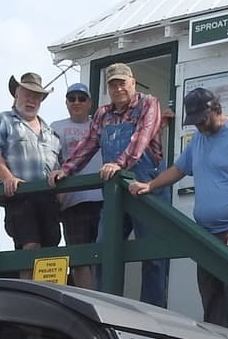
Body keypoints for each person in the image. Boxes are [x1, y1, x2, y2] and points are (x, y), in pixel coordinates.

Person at [129, 86, 228, 325]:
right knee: (212, 304)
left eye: (202, 120)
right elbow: (179, 169)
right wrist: (150, 186)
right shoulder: (198, 140)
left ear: (215, 109)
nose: (199, 126)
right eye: (195, 122)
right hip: (207, 234)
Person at [53, 62, 167, 305]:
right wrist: (66, 169)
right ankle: (109, 307)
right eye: (113, 85)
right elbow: (88, 145)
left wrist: (120, 163)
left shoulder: (149, 104)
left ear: (133, 83)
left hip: (148, 188)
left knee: (154, 254)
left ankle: (155, 312)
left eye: (122, 83)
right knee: (103, 249)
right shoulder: (103, 114)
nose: (118, 89)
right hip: (116, 193)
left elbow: (141, 139)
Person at [0, 72, 62, 260]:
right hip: (20, 196)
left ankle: (45, 290)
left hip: (48, 198)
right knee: (29, 245)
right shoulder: (4, 120)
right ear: (16, 95)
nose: (32, 100)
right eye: (27, 94)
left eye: (37, 96)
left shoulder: (51, 132)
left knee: (51, 251)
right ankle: (28, 289)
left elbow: (61, 164)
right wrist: (8, 177)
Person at [52, 83, 100, 287]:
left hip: (103, 199)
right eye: (72, 98)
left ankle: (105, 301)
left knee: (102, 254)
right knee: (78, 258)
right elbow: (50, 160)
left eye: (82, 98)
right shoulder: (55, 127)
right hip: (72, 203)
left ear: (89, 103)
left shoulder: (100, 125)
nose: (77, 102)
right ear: (66, 102)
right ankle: (89, 302)